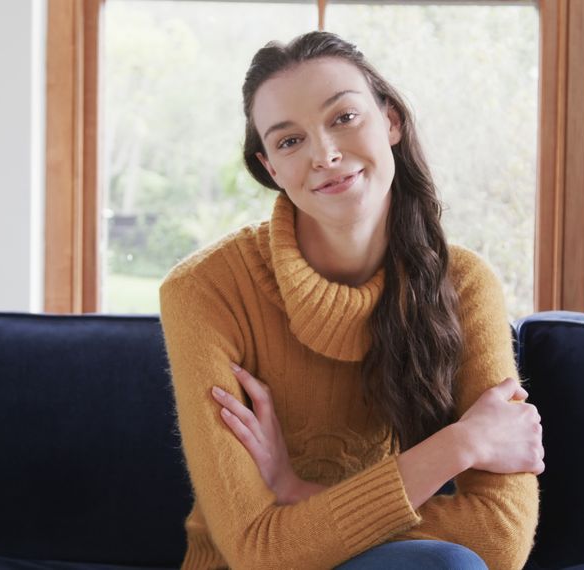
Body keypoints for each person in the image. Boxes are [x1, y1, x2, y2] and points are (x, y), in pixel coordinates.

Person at [158, 30, 544, 570]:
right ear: (271, 168)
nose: (326, 154)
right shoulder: (205, 291)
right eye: (289, 141)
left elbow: (500, 540)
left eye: (343, 117)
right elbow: (257, 549)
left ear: (390, 121)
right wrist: (458, 446)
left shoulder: (465, 284)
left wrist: (297, 490)